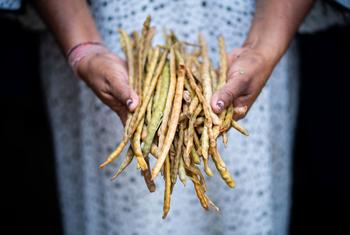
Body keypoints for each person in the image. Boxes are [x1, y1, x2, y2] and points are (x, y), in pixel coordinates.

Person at [0, 0, 346, 234]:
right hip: (99, 31)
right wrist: (84, 48)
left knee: (240, 206)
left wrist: (265, 48)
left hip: (250, 29)